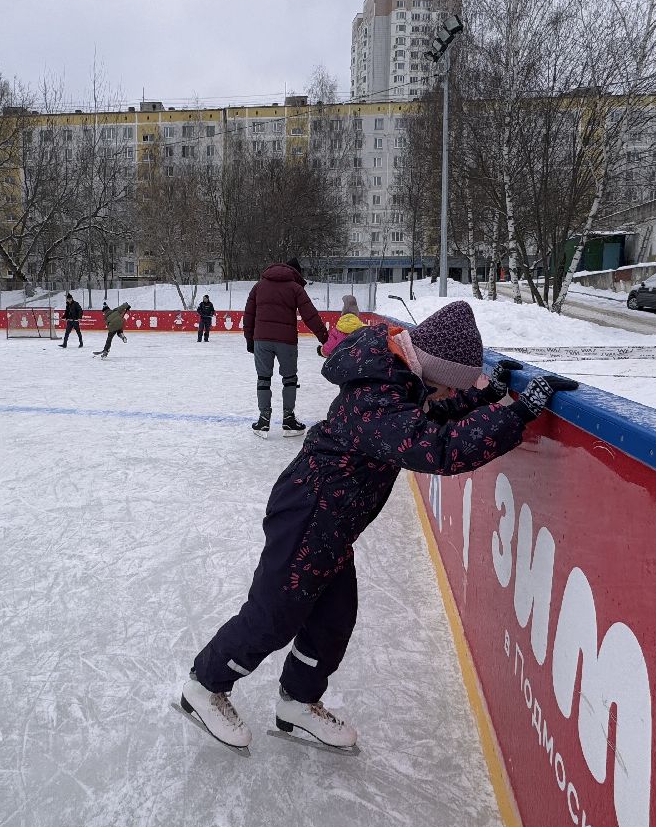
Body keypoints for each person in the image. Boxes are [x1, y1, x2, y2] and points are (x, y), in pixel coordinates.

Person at [180, 300, 577, 750]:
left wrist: (487, 396)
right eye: (450, 388)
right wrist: (515, 414)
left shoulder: (395, 380)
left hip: (332, 522)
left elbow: (425, 417)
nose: (448, 397)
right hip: (307, 513)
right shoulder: (377, 391)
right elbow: (436, 447)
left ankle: (297, 700)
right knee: (274, 615)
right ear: (432, 370)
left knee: (333, 619)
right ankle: (206, 685)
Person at [244, 258, 329, 437]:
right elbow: (310, 315)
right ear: (296, 272)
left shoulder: (259, 286)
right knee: (289, 378)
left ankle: (263, 421)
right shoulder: (295, 288)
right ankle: (288, 420)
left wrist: (250, 340)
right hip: (286, 341)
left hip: (262, 339)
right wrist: (326, 339)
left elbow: (249, 314)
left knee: (263, 378)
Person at [321, 293, 364, 358]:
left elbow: (327, 351)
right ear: (357, 313)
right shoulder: (364, 329)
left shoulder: (337, 330)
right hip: (358, 366)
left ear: (343, 312)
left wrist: (321, 350)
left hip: (339, 365)